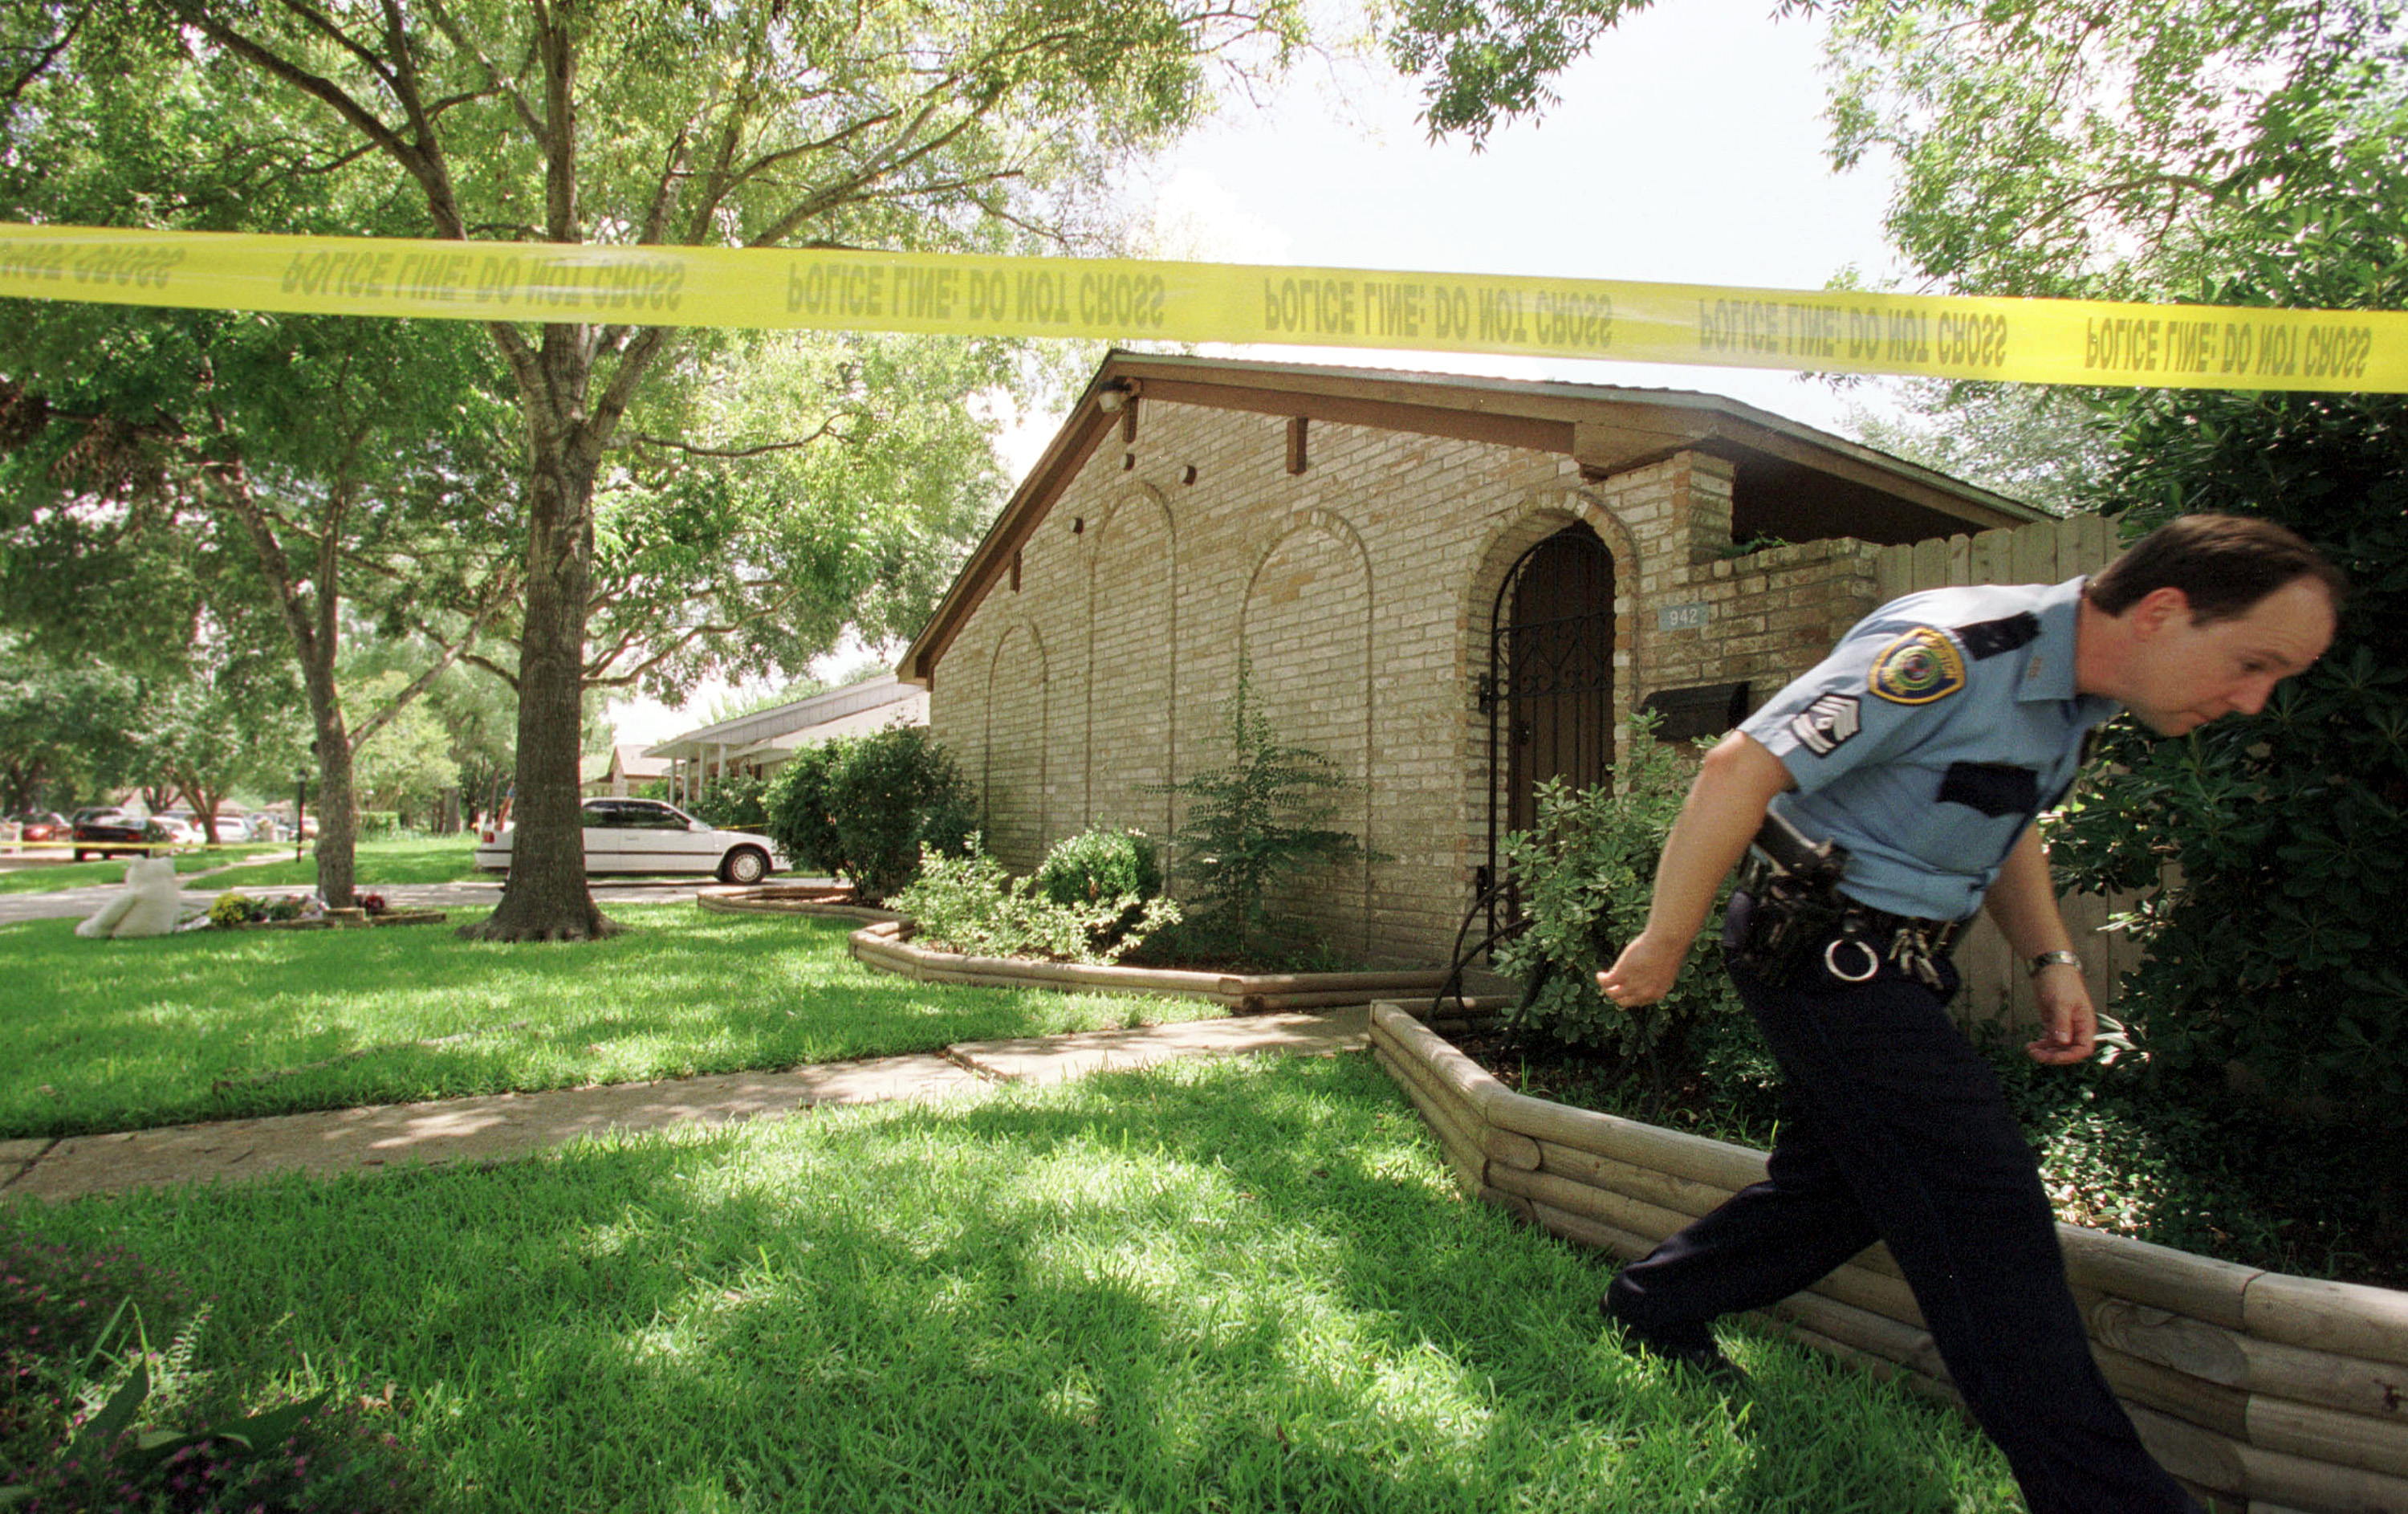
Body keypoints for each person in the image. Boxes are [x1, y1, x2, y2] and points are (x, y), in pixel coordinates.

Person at [1592, 513, 2345, 1514]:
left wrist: (2053, 958)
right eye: (2254, 663)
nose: (2254, 699)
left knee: (1848, 1182)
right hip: (1820, 948)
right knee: (1981, 1207)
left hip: (1895, 960)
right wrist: (1664, 940)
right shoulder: (1950, 652)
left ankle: (1655, 1303)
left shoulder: (2079, 689)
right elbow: (1741, 765)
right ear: (2164, 612)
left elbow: (2006, 817)